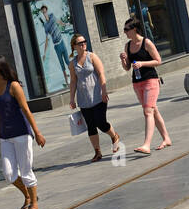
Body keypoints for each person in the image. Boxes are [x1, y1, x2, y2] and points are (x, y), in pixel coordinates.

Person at [0, 54, 45, 209]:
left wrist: (37, 132)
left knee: (26, 171)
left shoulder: (13, 86)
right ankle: (27, 195)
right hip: (5, 136)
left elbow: (26, 110)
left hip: (21, 133)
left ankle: (35, 205)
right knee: (9, 174)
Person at [121, 17, 171, 155]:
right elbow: (127, 68)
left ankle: (146, 145)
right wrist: (123, 60)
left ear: (134, 29)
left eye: (126, 29)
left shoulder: (146, 42)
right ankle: (166, 138)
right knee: (153, 110)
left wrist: (142, 64)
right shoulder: (128, 45)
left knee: (147, 111)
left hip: (151, 80)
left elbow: (158, 60)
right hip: (137, 82)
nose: (125, 32)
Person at [68, 34, 120, 162]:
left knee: (100, 123)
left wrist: (104, 91)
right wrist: (71, 99)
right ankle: (97, 152)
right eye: (80, 43)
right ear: (74, 46)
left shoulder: (92, 57)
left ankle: (114, 136)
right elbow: (73, 81)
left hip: (98, 96)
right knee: (91, 126)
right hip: (84, 100)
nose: (83, 44)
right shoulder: (72, 63)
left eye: (84, 42)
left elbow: (101, 73)